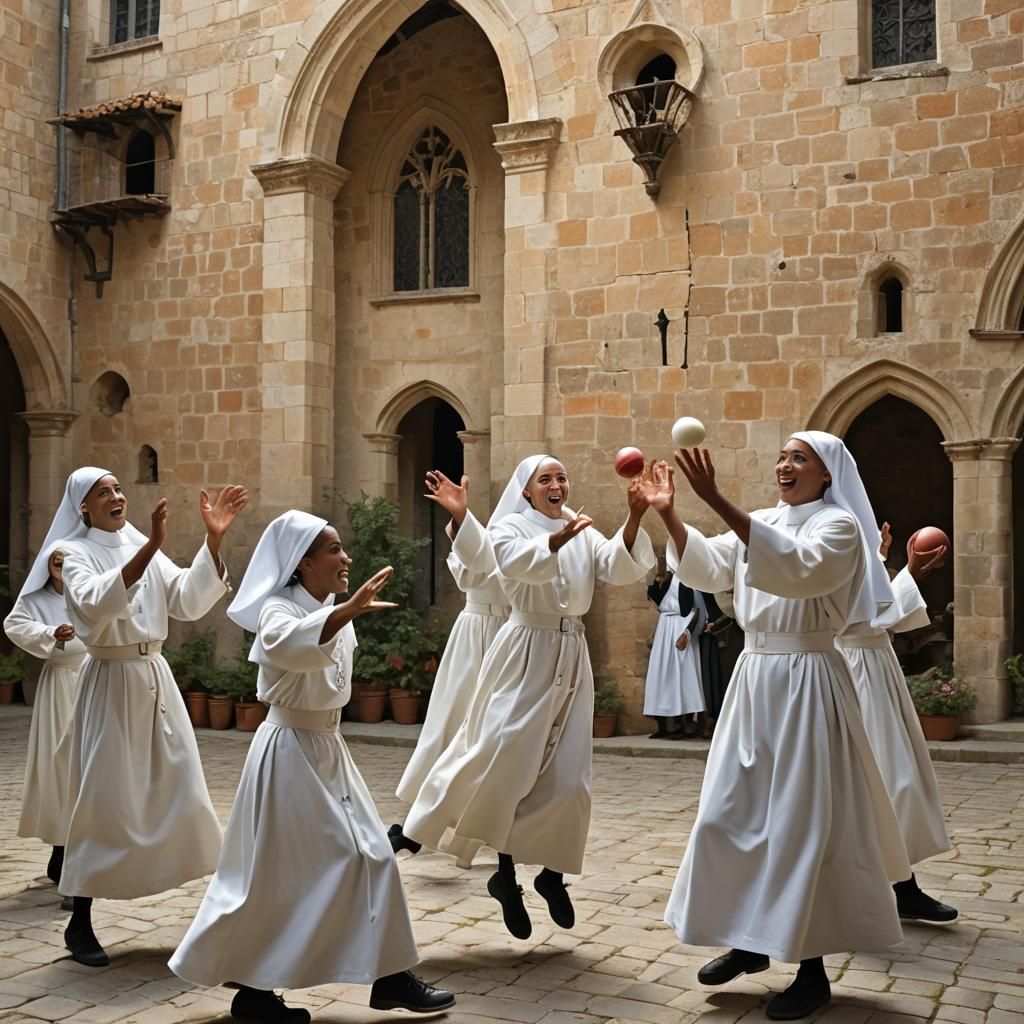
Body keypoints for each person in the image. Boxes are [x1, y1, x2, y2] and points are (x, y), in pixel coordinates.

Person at [654, 435, 910, 1021]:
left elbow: (797, 571)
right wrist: (670, 512)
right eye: (782, 457)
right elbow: (711, 563)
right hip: (754, 677)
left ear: (828, 473)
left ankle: (811, 970)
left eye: (800, 458)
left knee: (801, 824)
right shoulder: (764, 519)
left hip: (808, 679)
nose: (784, 465)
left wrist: (715, 497)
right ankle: (749, 941)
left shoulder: (840, 527)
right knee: (732, 811)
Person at [170, 511, 454, 1023]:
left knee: (374, 855)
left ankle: (388, 976)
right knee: (290, 874)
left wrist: (342, 611)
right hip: (289, 752)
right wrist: (344, 612)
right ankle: (255, 993)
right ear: (303, 561)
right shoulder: (278, 609)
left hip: (327, 747)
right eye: (335, 550)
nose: (346, 558)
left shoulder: (326, 607)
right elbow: (285, 644)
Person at [404, 455, 656, 939]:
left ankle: (551, 875)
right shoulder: (513, 529)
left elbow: (615, 565)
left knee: (568, 776)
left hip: (570, 652)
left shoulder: (577, 523)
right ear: (526, 490)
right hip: (525, 650)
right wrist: (550, 538)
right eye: (546, 479)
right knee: (507, 762)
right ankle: (505, 874)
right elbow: (511, 564)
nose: (557, 484)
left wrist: (636, 515)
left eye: (562, 476)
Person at [55, 468, 247, 967]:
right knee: (104, 797)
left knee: (183, 787)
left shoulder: (141, 542)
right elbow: (95, 604)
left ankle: (217, 916)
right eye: (104, 492)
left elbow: (184, 599)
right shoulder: (72, 554)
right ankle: (80, 922)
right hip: (111, 679)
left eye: (118, 489)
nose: (117, 497)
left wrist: (213, 541)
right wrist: (153, 545)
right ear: (83, 506)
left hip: (155, 678)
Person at [837, 521, 956, 922]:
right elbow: (866, 615)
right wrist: (909, 572)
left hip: (876, 669)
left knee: (896, 779)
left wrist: (881, 559)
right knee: (881, 781)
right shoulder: (819, 546)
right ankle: (873, 888)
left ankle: (902, 886)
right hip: (853, 671)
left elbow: (871, 599)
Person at [390, 470, 511, 858]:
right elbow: (469, 569)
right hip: (474, 636)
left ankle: (477, 829)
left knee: (495, 736)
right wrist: (461, 519)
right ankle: (420, 821)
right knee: (451, 726)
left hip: (510, 638)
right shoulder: (483, 543)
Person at [4, 545, 86, 887]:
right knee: (57, 766)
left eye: (68, 560)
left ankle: (85, 846)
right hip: (59, 684)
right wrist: (50, 633)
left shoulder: (89, 593)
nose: (62, 565)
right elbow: (15, 624)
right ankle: (60, 846)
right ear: (47, 564)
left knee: (86, 763)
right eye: (56, 560)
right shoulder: (35, 599)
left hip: (91, 678)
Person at [642, 558, 706, 739]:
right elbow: (655, 597)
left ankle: (687, 724)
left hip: (680, 626)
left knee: (683, 674)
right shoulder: (664, 582)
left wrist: (686, 632)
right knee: (660, 675)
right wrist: (656, 581)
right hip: (664, 629)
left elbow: (693, 609)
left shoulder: (686, 580)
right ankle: (663, 725)